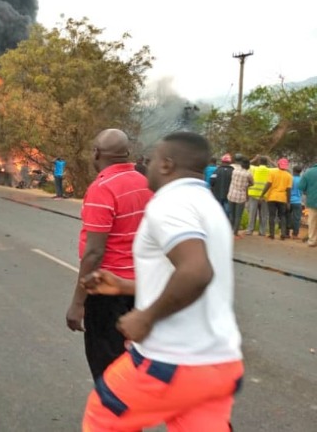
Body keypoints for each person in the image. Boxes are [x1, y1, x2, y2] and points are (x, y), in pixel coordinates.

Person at [81, 131, 244, 431]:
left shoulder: (170, 203)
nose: (148, 165)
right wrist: (124, 286)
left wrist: (146, 316)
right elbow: (191, 276)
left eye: (154, 159)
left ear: (167, 164)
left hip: (172, 361)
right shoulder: (207, 205)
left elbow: (196, 272)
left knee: (104, 414)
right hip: (220, 364)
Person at [65, 129, 153, 380]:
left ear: (96, 152)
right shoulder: (146, 184)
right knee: (136, 363)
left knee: (108, 369)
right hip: (142, 288)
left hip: (109, 291)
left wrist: (78, 303)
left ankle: (116, 416)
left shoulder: (102, 188)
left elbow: (94, 252)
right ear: (127, 154)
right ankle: (133, 415)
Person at [260, 158, 293, 240]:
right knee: (282, 216)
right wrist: (288, 202)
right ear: (286, 166)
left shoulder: (272, 172)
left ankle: (272, 234)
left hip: (272, 197)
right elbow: (288, 190)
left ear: (278, 165)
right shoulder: (289, 176)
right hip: (282, 198)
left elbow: (268, 184)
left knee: (272, 216)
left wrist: (262, 195)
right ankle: (283, 234)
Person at [227, 158, 253, 238]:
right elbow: (252, 183)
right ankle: (235, 232)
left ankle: (230, 230)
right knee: (238, 215)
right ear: (248, 165)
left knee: (232, 214)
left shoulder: (234, 171)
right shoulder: (248, 174)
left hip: (231, 194)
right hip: (241, 197)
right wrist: (246, 185)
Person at [246, 155, 271, 236]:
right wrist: (270, 160)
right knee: (264, 215)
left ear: (259, 162)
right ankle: (262, 231)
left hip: (254, 194)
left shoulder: (254, 168)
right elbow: (280, 168)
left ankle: (250, 230)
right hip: (265, 196)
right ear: (267, 162)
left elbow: (245, 164)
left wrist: (254, 159)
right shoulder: (270, 170)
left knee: (252, 214)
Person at [210, 154, 234, 218]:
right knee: (227, 211)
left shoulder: (216, 171)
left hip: (217, 194)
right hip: (229, 195)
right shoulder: (233, 171)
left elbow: (212, 181)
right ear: (230, 162)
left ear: (222, 162)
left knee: (218, 211)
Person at [299, 162, 317, 247]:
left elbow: (301, 187)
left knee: (313, 221)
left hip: (313, 201)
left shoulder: (308, 172)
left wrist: (308, 192)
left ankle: (312, 241)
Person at [288, 166, 303, 240]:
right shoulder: (302, 180)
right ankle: (295, 234)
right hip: (297, 201)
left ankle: (285, 233)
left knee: (287, 216)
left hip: (288, 201)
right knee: (297, 218)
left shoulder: (290, 178)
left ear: (293, 171)